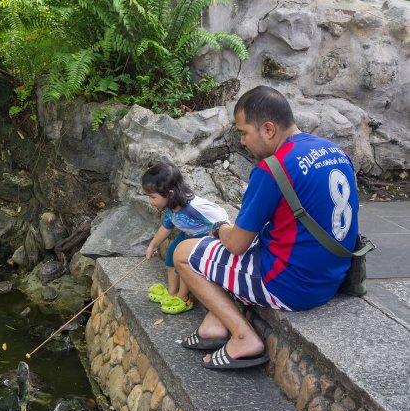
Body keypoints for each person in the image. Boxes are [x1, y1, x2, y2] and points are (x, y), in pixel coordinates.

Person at [173, 85, 359, 369]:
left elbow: (236, 244)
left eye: (244, 132)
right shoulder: (334, 151)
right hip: (332, 278)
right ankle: (214, 324)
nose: (243, 141)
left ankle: (243, 337)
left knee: (185, 252)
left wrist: (220, 228)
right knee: (242, 248)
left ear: (268, 129)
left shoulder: (273, 168)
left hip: (292, 286)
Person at [142, 162, 230, 314]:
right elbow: (166, 227)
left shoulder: (194, 207)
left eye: (152, 197)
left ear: (169, 194)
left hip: (204, 237)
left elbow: (221, 218)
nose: (150, 201)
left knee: (184, 262)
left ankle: (183, 298)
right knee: (171, 254)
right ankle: (172, 291)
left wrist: (215, 235)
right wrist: (152, 246)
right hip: (188, 234)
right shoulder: (170, 207)